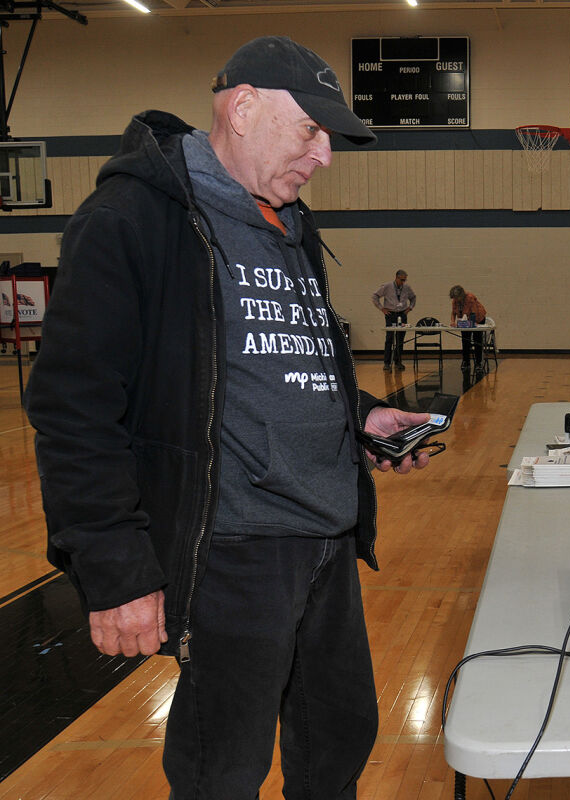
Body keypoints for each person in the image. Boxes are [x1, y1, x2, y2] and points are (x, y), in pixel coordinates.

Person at [24, 36, 433, 799]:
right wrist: (112, 568)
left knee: (338, 740)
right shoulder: (133, 218)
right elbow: (73, 405)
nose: (325, 156)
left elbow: (289, 364)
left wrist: (364, 417)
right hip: (234, 548)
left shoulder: (288, 225)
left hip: (326, 539)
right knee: (224, 767)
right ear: (241, 109)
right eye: (311, 131)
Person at [372, 268, 416, 371]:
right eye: (402, 280)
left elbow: (413, 297)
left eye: (405, 280)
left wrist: (410, 307)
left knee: (400, 339)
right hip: (390, 314)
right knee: (389, 338)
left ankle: (398, 361)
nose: (403, 282)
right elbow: (375, 296)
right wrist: (381, 308)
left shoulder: (407, 287)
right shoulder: (387, 286)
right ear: (396, 278)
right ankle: (387, 363)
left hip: (402, 314)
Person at [449, 284, 487, 371]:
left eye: (456, 297)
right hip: (465, 320)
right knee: (465, 340)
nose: (455, 300)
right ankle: (466, 361)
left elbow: (474, 312)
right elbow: (453, 312)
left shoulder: (470, 298)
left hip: (478, 318)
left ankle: (478, 363)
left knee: (477, 340)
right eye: (453, 298)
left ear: (461, 295)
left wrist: (471, 323)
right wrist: (452, 322)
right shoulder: (455, 301)